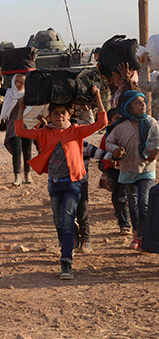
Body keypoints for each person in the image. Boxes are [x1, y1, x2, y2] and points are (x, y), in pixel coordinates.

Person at [14, 86, 107, 280]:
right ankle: (68, 242)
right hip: (54, 183)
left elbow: (102, 122)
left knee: (65, 221)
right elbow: (19, 130)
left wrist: (97, 97)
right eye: (55, 113)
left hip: (73, 183)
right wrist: (21, 107)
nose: (59, 116)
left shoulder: (77, 131)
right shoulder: (43, 132)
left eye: (63, 113)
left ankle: (66, 262)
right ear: (50, 115)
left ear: (69, 114)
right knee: (59, 222)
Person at [105, 90, 159, 251]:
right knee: (133, 205)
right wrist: (115, 150)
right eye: (137, 102)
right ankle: (137, 233)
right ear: (128, 107)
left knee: (144, 204)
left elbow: (157, 141)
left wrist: (155, 150)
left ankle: (143, 236)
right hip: (127, 170)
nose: (142, 105)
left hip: (147, 169)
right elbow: (109, 142)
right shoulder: (120, 126)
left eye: (143, 102)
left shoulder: (152, 122)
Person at [0, 74, 34, 186]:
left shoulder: (30, 94)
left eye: (21, 82)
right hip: (13, 127)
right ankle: (17, 176)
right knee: (17, 152)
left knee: (27, 151)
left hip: (27, 126)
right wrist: (0, 76)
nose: (18, 84)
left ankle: (27, 174)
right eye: (16, 81)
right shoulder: (9, 93)